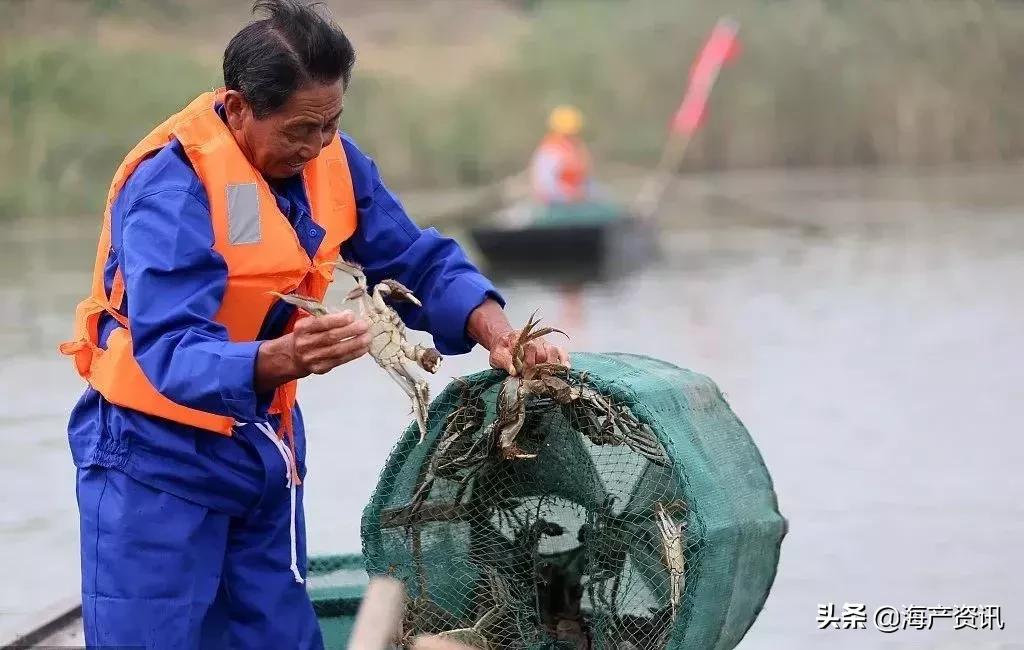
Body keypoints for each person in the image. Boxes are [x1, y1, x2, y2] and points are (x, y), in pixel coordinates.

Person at [58, 2, 567, 648]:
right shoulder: (173, 190)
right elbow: (174, 352)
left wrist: (499, 335)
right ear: (239, 108)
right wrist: (283, 357)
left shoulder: (330, 163)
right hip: (152, 461)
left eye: (331, 125)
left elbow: (416, 261)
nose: (317, 146)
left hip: (262, 452)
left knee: (281, 638)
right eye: (301, 129)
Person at [529, 104, 595, 204]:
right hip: (555, 201)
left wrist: (583, 192)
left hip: (577, 199)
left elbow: (586, 179)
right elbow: (545, 186)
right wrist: (569, 194)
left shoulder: (577, 149)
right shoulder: (549, 151)